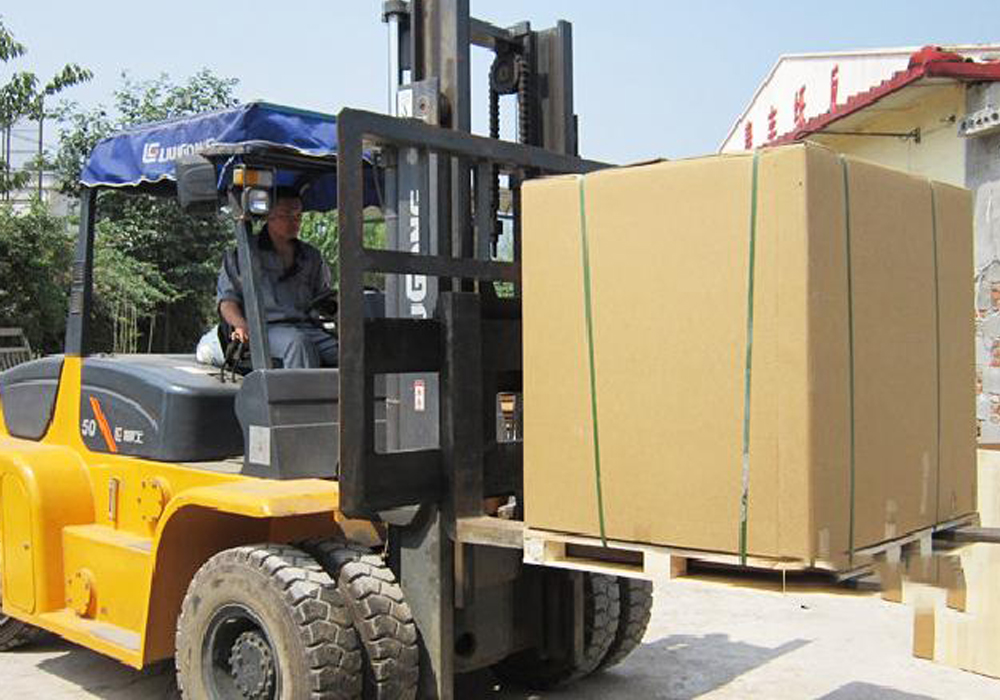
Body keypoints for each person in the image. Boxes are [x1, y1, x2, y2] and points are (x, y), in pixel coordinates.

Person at [215, 192, 338, 368]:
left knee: (350, 351)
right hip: (265, 330)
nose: (294, 222)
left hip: (307, 327)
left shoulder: (311, 256)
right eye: (286, 215)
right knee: (299, 344)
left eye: (298, 216)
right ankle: (298, 387)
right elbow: (227, 302)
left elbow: (324, 298)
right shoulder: (242, 255)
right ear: (268, 216)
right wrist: (241, 326)